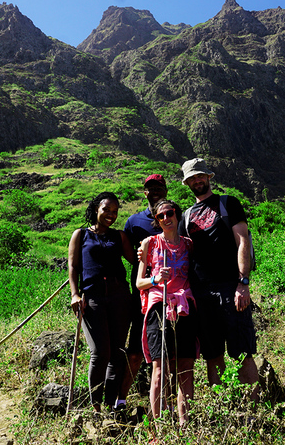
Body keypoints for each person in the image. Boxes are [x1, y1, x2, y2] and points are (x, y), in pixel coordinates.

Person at [178, 158, 260, 402]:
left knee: (242, 351)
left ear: (209, 177)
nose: (197, 181)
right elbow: (181, 252)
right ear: (187, 183)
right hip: (201, 294)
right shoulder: (186, 216)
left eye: (200, 176)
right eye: (192, 178)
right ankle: (223, 406)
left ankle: (255, 409)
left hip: (231, 288)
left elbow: (242, 242)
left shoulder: (228, 204)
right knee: (212, 355)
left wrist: (242, 283)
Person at [68, 191, 136, 412]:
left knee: (117, 353)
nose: (111, 215)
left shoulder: (119, 236)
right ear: (96, 208)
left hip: (119, 298)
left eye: (115, 211)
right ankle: (95, 407)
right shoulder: (80, 235)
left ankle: (110, 404)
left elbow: (135, 260)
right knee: (100, 352)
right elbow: (73, 267)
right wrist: (75, 294)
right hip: (93, 299)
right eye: (106, 209)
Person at [136, 199, 197, 426]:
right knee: (159, 369)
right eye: (160, 216)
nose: (165, 218)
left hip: (184, 306)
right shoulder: (150, 243)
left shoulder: (190, 245)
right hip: (159, 306)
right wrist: (155, 278)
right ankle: (158, 428)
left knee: (186, 367)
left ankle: (185, 425)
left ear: (177, 215)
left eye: (169, 213)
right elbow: (139, 283)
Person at [117, 174, 168, 411]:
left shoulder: (173, 214)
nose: (155, 191)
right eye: (150, 188)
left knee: (171, 352)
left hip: (173, 295)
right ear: (144, 192)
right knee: (135, 351)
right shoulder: (134, 222)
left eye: (159, 187)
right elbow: (128, 255)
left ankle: (168, 402)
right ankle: (121, 399)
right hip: (143, 296)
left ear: (165, 190)